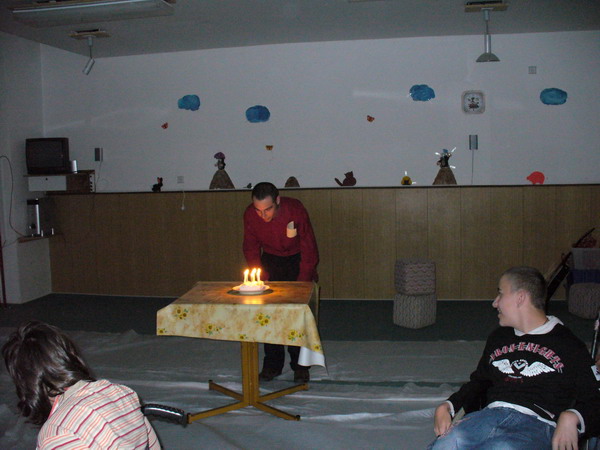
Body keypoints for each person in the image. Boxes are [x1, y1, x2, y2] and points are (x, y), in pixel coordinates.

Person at [429, 266, 600, 449]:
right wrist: (449, 405)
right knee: (447, 442)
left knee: (501, 447)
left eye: (500, 294)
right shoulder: (499, 337)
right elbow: (479, 382)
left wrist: (572, 416)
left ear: (520, 298)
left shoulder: (568, 345)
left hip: (536, 424)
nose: (495, 303)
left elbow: (594, 399)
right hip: (488, 418)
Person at [2, 321, 160, 449]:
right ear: (69, 356)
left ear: (25, 383)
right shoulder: (121, 393)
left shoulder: (58, 434)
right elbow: (152, 446)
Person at [243, 181, 319, 383]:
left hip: (296, 260)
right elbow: (250, 247)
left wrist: (303, 280)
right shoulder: (250, 214)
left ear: (277, 200)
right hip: (270, 261)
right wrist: (260, 278)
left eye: (267, 209)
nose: (263, 215)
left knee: (297, 315)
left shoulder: (295, 208)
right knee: (269, 315)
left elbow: (309, 245)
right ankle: (272, 365)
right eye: (258, 210)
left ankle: (300, 366)